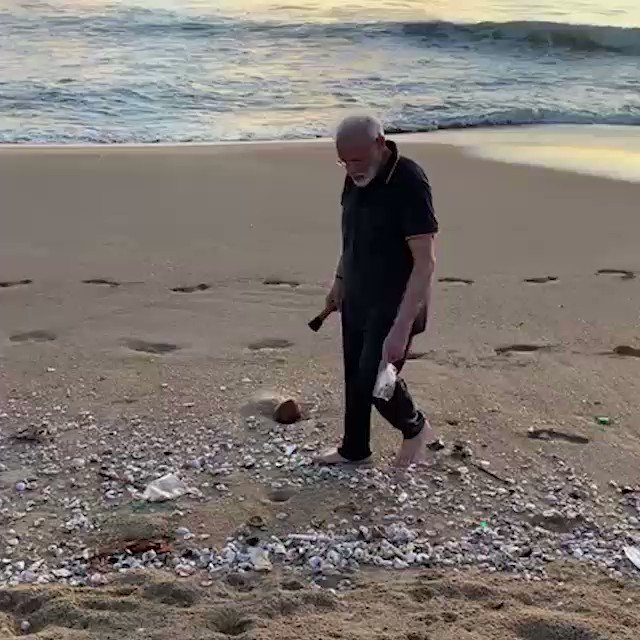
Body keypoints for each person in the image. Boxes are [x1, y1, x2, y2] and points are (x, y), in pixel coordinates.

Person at [315, 114, 440, 468]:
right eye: (343, 160)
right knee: (354, 377)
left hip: (396, 303)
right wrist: (339, 282)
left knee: (376, 381)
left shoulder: (409, 181)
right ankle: (354, 450)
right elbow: (351, 237)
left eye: (357, 159)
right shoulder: (354, 177)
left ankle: (415, 428)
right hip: (357, 293)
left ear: (380, 145)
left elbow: (425, 262)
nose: (351, 168)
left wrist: (402, 328)